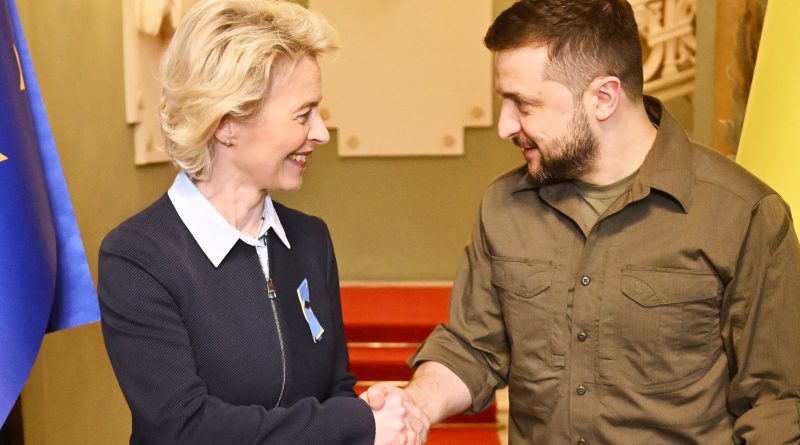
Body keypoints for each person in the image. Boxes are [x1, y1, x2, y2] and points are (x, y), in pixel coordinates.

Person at [364, 0, 800, 444]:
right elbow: (473, 348)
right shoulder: (502, 205)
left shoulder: (744, 214)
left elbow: (775, 405)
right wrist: (415, 405)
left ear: (604, 97)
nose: (504, 125)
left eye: (524, 104)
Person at [98, 1, 425, 444]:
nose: (321, 132)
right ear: (228, 121)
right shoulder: (138, 258)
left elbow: (334, 390)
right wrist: (355, 425)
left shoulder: (310, 239)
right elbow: (184, 428)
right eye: (303, 113)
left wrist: (365, 408)